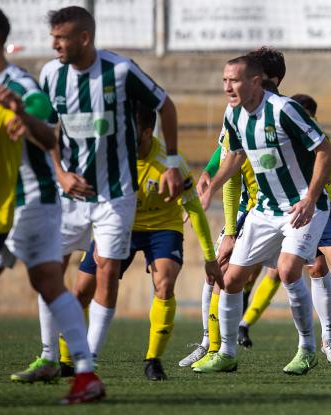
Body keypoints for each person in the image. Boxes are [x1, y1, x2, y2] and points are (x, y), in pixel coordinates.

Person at [0, 4, 99, 394]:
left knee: (47, 280)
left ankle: (85, 372)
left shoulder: (16, 84)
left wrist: (25, 119)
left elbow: (42, 114)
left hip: (30, 199)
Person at [39, 6, 182, 365]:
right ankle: (47, 356)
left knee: (107, 269)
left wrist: (172, 162)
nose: (55, 45)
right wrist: (58, 172)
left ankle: (88, 358)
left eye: (61, 38)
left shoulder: (119, 70)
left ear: (83, 38)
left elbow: (165, 105)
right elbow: (46, 129)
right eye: (53, 37)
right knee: (49, 268)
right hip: (70, 191)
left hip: (116, 193)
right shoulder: (51, 74)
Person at [53, 106, 220, 381]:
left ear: (146, 132)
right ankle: (65, 359)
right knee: (82, 289)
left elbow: (194, 210)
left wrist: (209, 257)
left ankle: (153, 359)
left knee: (164, 282)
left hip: (162, 228)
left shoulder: (170, 162)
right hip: (120, 225)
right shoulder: (113, 158)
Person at [228, 93, 331, 370]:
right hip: (276, 212)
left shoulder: (327, 140)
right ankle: (228, 337)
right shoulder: (262, 131)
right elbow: (234, 167)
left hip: (322, 209)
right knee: (269, 272)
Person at [200, 55, 331, 375]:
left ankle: (307, 349)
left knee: (288, 271)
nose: (227, 87)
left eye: (234, 80)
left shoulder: (284, 110)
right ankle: (227, 352)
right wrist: (212, 185)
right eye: (224, 80)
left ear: (255, 82)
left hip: (304, 206)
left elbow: (325, 151)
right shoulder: (233, 114)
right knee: (231, 280)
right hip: (265, 208)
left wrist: (310, 197)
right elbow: (234, 155)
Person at [183, 47, 284, 369]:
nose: (235, 86)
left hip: (288, 206)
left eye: (244, 78)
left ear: (267, 80)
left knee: (309, 269)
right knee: (220, 270)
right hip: (248, 207)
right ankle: (210, 343)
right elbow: (228, 152)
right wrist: (209, 175)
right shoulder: (236, 112)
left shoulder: (284, 111)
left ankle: (322, 343)